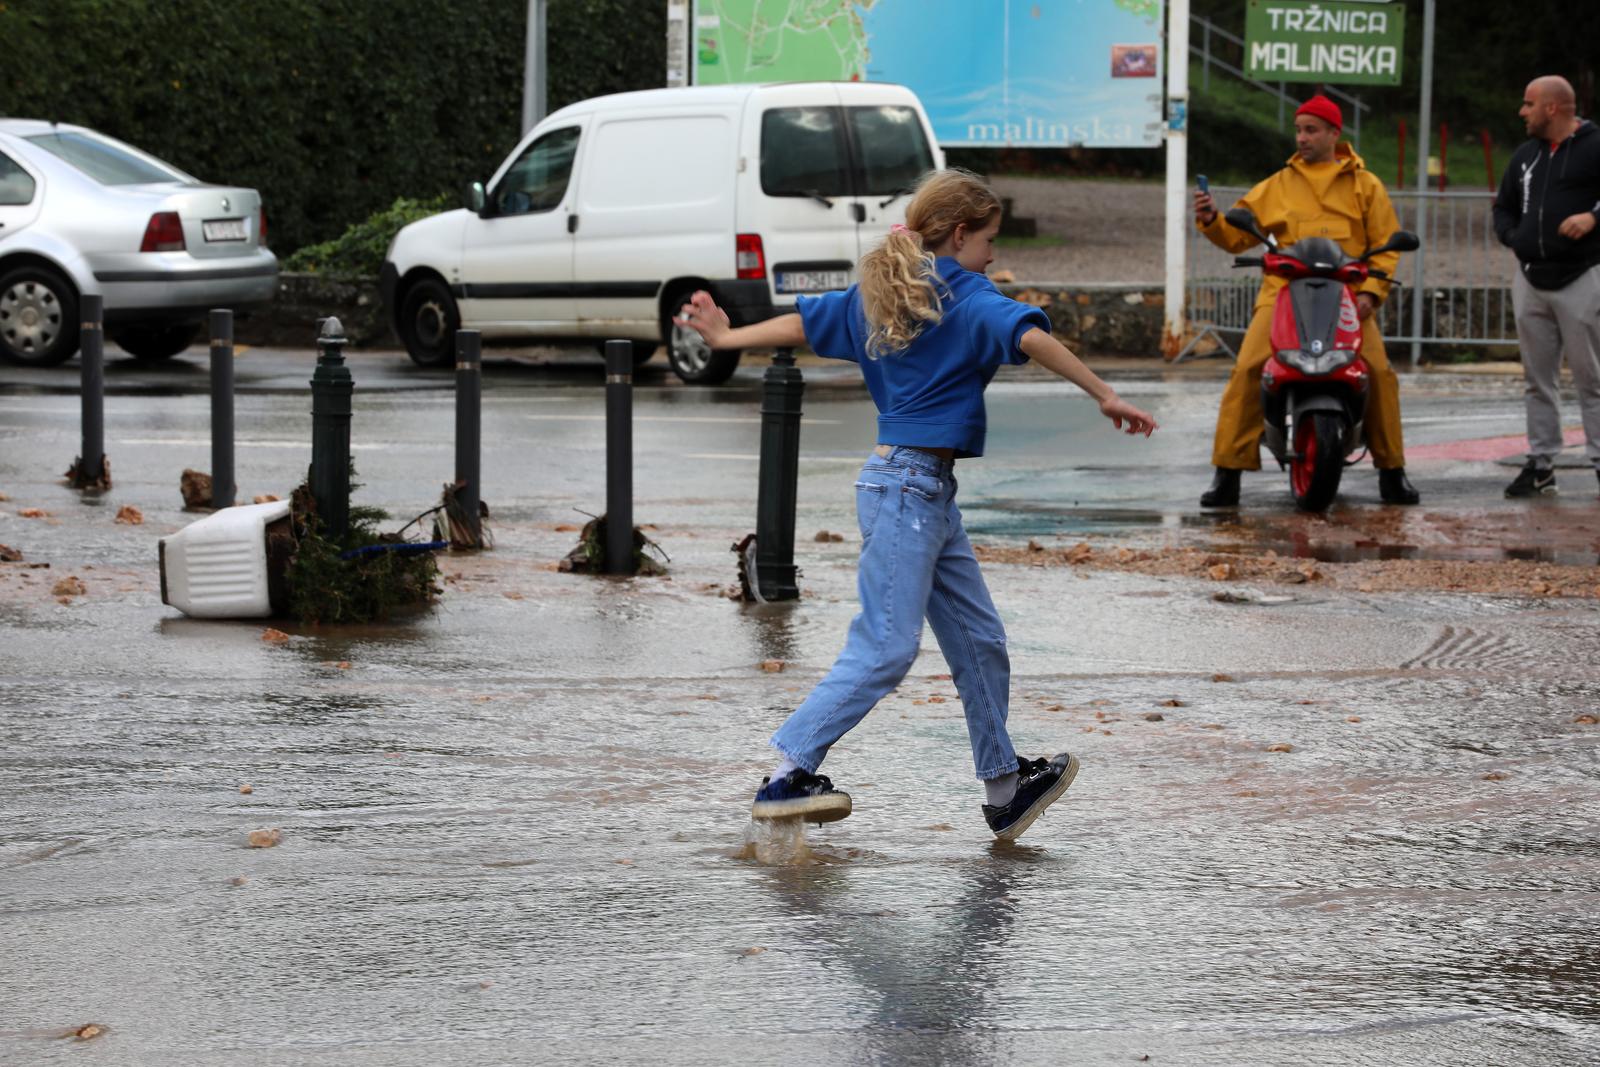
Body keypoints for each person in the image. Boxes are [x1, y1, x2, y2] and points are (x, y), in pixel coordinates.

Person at [676, 169, 1158, 841]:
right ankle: (789, 769)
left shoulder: (888, 293)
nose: (993, 253)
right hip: (907, 492)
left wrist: (728, 339)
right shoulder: (964, 295)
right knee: (887, 647)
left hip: (923, 494)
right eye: (988, 239)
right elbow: (1030, 337)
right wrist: (1103, 393)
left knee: (980, 640)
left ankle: (1005, 788)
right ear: (959, 236)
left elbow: (806, 322)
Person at [1193, 93, 1420, 508]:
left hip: (1348, 297)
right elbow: (1237, 235)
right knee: (1248, 369)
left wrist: (1372, 292)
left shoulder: (1366, 185)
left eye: (1311, 130)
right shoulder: (1276, 185)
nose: (1302, 138)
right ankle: (1227, 473)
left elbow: (1386, 245)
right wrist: (1211, 221)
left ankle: (1393, 471)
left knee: (1380, 373)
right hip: (1282, 293)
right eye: (1299, 130)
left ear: (1335, 133)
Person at [1492, 75, 1600, 497]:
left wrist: (1594, 217)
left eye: (1528, 103)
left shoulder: (1594, 146)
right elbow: (1502, 206)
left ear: (1552, 108)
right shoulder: (1525, 156)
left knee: (1591, 379)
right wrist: (1512, 237)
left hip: (1581, 277)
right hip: (1531, 277)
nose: (1522, 112)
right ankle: (1540, 464)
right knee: (1537, 379)